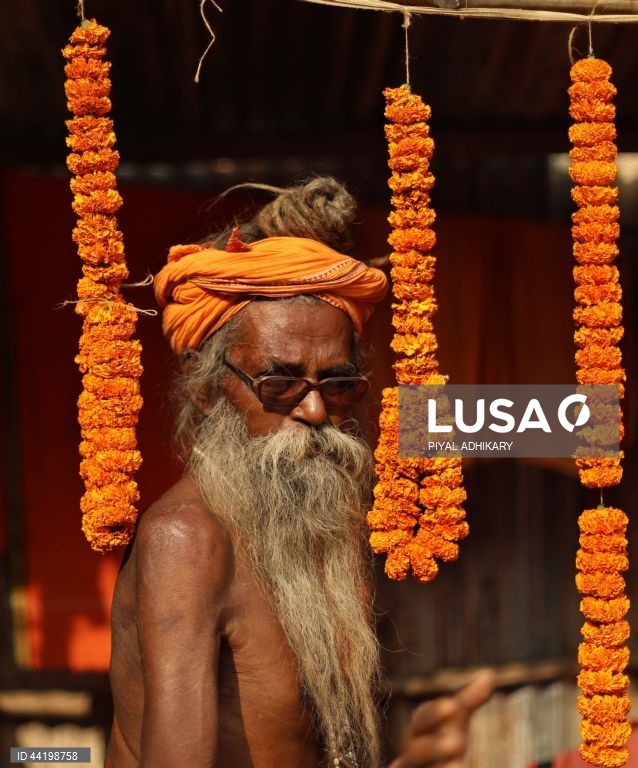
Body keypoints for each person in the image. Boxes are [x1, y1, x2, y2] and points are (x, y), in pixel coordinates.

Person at [105, 176, 495, 768]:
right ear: (210, 390)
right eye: (279, 382)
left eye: (338, 383)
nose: (315, 411)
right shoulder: (185, 541)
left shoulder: (316, 530)